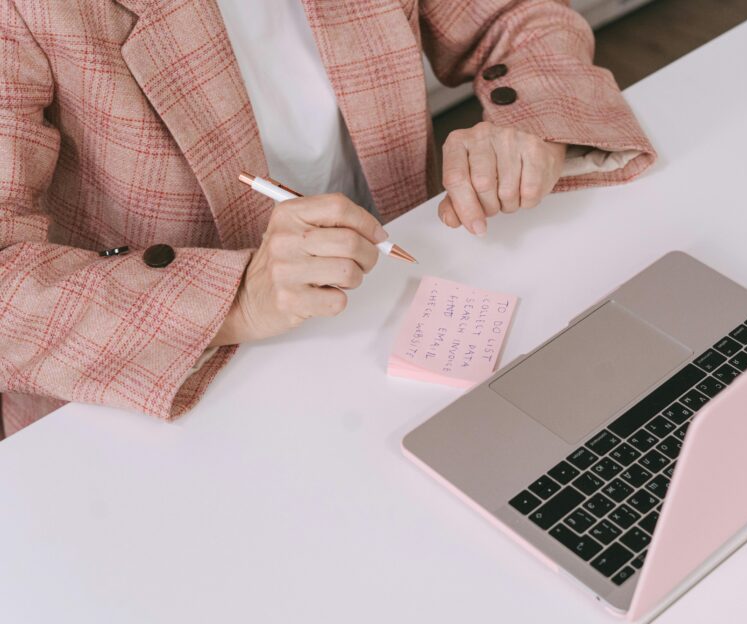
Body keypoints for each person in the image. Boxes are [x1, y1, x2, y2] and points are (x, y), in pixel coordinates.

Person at [0, 0, 655, 438]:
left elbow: (515, 16)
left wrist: (529, 121)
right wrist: (238, 297)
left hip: (386, 317)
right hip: (163, 391)